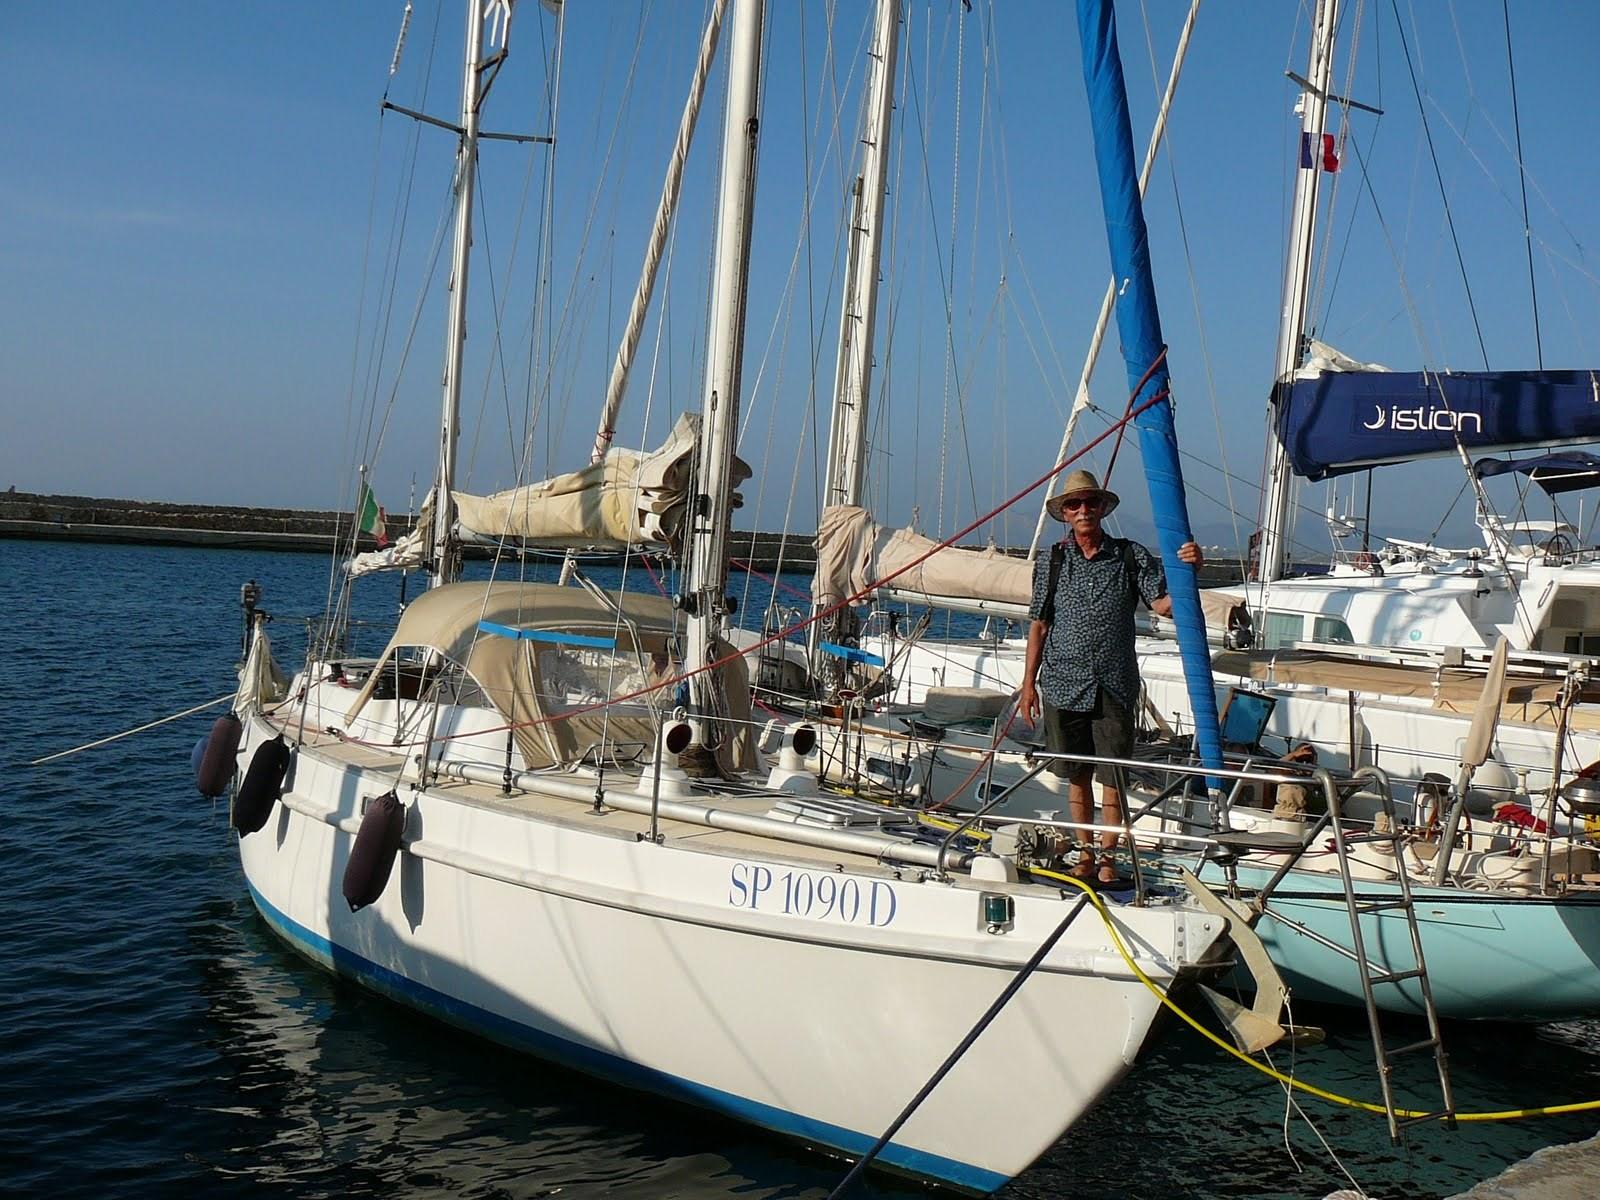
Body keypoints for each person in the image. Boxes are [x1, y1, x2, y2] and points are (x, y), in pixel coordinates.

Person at [1017, 469, 1203, 884]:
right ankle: (1085, 855)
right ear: (1065, 514)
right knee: (1077, 774)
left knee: (1113, 776)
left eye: (1090, 502)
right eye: (1074, 504)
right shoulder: (1052, 560)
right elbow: (1039, 624)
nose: (1083, 509)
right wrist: (1028, 684)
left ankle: (1108, 859)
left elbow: (1163, 605)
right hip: (1063, 683)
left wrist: (1190, 570)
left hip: (1114, 683)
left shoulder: (1129, 555)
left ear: (1102, 508)